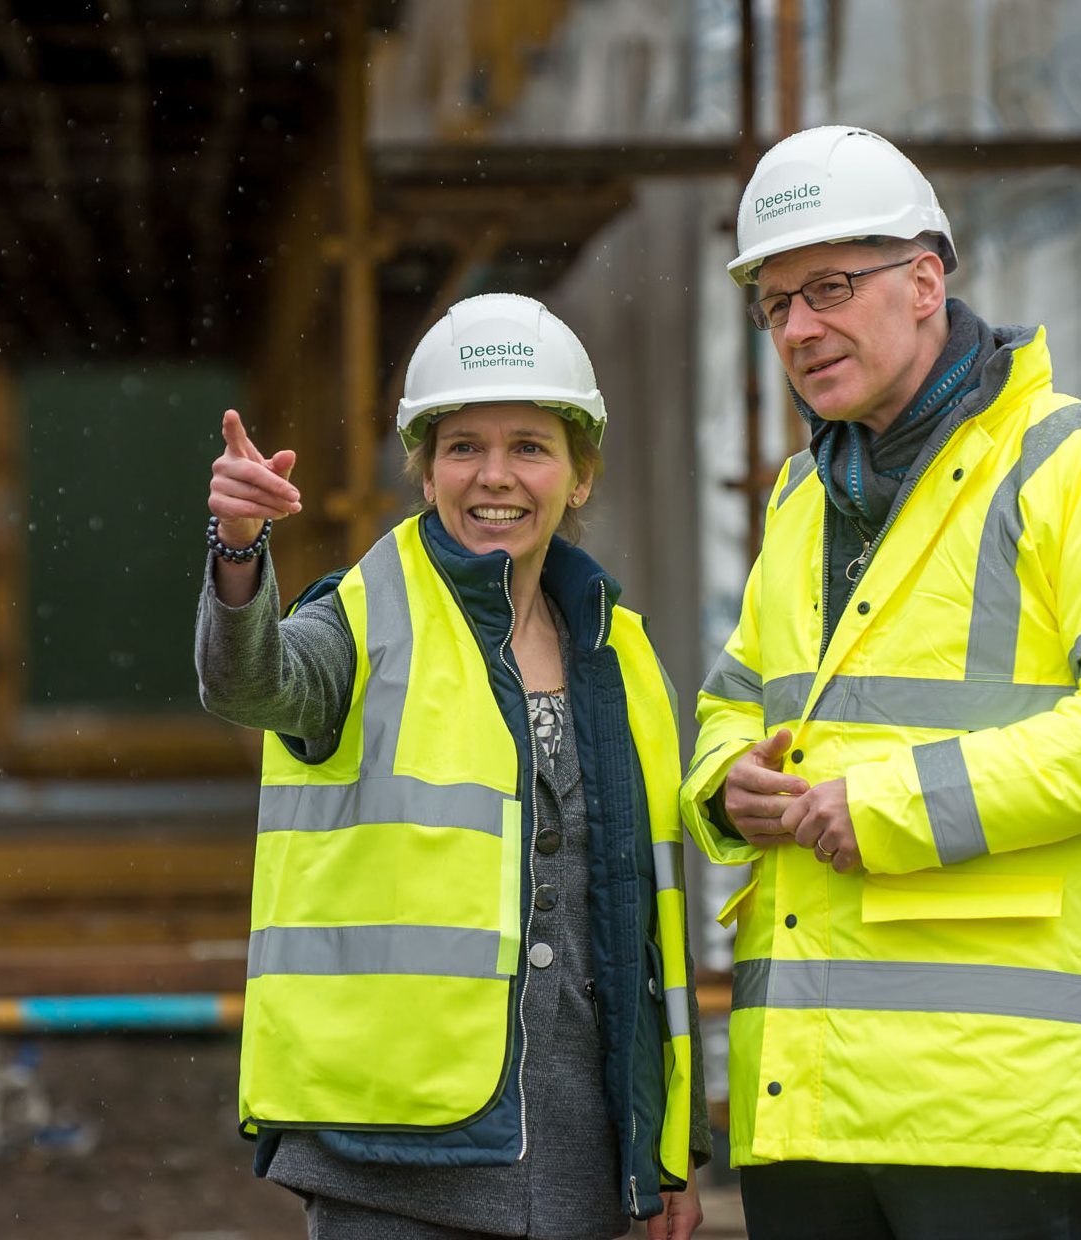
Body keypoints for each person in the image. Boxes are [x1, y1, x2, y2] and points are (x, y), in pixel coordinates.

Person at [682, 126, 1081, 1240]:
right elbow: (736, 695)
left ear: (926, 280)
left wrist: (887, 807)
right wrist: (721, 783)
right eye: (774, 303)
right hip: (803, 1096)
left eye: (828, 287)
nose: (797, 327)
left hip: (990, 1102)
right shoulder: (803, 497)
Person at [197, 292, 709, 1240]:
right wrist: (238, 551)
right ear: (425, 474)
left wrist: (665, 1148)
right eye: (463, 446)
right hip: (397, 1158)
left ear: (579, 477)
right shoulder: (364, 615)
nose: (495, 476)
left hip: (580, 1152)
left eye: (530, 446)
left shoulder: (619, 651)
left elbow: (639, 919)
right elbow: (252, 685)